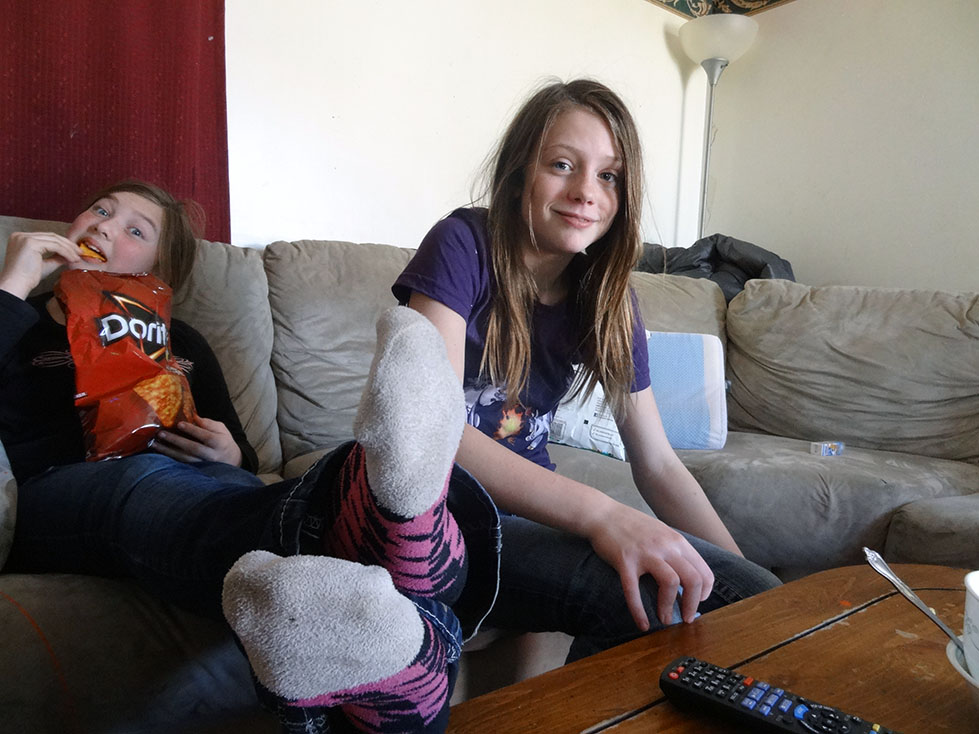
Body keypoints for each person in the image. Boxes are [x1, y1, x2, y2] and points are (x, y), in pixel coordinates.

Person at [0, 180, 499, 734]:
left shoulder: (181, 342)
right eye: (100, 209)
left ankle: (400, 640)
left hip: (201, 485)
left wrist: (229, 450)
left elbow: (242, 454)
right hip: (59, 490)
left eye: (134, 230)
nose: (103, 226)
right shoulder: (22, 321)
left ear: (158, 271)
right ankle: (365, 507)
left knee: (237, 487)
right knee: (145, 478)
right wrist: (13, 286)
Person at [393, 79, 781, 660]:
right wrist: (604, 515)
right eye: (562, 165)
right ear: (520, 173)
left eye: (609, 176)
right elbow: (436, 431)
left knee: (741, 592)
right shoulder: (462, 244)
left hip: (525, 516)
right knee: (652, 590)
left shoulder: (607, 299)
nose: (585, 193)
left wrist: (747, 585)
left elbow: (657, 463)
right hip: (439, 516)